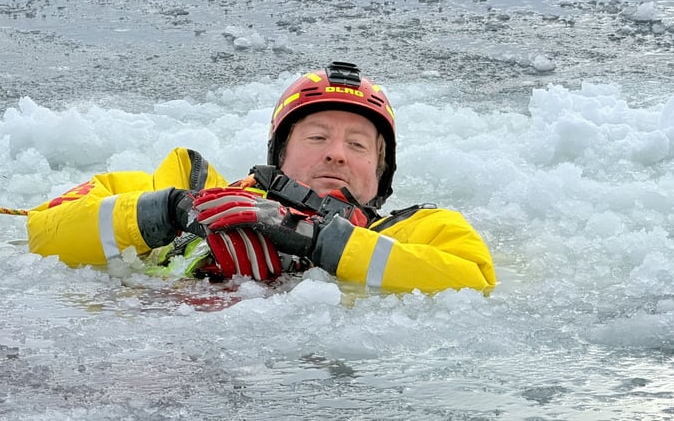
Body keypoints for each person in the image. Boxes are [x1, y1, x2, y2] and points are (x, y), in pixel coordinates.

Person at [27, 61, 496, 293]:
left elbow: (474, 282)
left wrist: (314, 241)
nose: (336, 155)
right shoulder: (187, 184)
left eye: (357, 145)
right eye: (316, 138)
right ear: (280, 155)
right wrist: (168, 214)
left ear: (380, 172)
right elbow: (44, 234)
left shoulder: (420, 232)